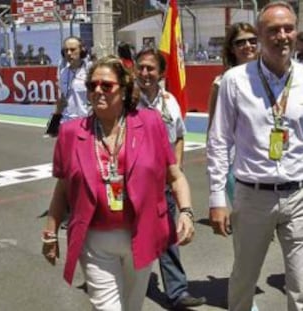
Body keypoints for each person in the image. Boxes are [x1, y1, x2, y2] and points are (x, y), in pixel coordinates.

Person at [42, 55, 195, 311]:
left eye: (106, 85)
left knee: (132, 307)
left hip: (141, 234)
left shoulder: (150, 122)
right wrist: (50, 232)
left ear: (123, 90)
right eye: (92, 86)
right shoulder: (70, 133)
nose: (97, 91)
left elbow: (175, 175)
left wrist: (187, 212)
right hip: (94, 239)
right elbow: (64, 188)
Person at [207, 2, 303, 311]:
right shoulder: (235, 81)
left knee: (301, 287)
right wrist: (217, 199)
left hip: (298, 196)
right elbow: (219, 141)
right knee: (244, 280)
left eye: (288, 28)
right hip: (252, 196)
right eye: (273, 30)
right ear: (260, 35)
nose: (282, 36)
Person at [135, 47, 206, 310]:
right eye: (140, 67)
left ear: (161, 73)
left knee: (167, 239)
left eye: (150, 68)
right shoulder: (127, 100)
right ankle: (124, 288)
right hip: (133, 186)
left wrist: (176, 175)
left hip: (163, 183)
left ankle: (177, 293)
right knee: (130, 239)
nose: (144, 73)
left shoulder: (169, 101)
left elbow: (178, 137)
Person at [207, 22, 258, 204]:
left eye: (253, 40)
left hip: (264, 162)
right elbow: (214, 129)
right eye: (241, 42)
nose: (248, 46)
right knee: (245, 218)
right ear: (232, 48)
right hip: (233, 163)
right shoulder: (221, 83)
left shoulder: (271, 78)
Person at [55, 36, 91, 122]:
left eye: (72, 49)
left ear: (82, 51)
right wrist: (53, 125)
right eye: (66, 50)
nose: (69, 53)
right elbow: (61, 100)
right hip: (65, 121)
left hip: (85, 121)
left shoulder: (90, 71)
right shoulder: (63, 72)